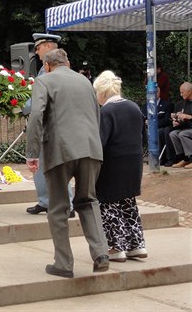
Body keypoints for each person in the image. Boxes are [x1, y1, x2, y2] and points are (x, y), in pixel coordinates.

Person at [25, 48, 109, 278]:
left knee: (59, 207)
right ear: (68, 63)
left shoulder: (44, 80)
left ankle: (64, 264)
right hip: (91, 148)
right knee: (88, 200)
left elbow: (35, 115)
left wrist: (32, 153)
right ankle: (101, 254)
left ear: (49, 65)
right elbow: (96, 114)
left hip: (60, 150)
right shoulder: (85, 81)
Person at [93, 71, 148, 262]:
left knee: (108, 204)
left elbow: (100, 142)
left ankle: (116, 247)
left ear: (101, 92)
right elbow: (143, 134)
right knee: (128, 202)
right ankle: (136, 244)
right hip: (133, 161)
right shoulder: (133, 107)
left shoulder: (106, 112)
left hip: (113, 163)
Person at [26, 33, 74, 217]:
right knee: (40, 165)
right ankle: (45, 201)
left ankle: (68, 204)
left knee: (59, 167)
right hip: (43, 126)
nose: (37, 52)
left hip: (56, 125)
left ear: (47, 46)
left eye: (38, 48)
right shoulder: (43, 70)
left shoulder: (58, 69)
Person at [141, 85, 173, 166]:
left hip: (161, 128)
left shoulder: (167, 105)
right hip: (148, 129)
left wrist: (153, 123)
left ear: (158, 93)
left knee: (161, 132)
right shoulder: (145, 106)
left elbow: (167, 120)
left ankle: (161, 157)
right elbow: (143, 119)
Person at [169, 82, 192, 168]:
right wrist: (176, 120)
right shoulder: (182, 103)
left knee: (183, 134)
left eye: (182, 92)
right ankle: (185, 159)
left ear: (189, 91)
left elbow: (188, 117)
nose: (181, 94)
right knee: (173, 134)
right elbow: (182, 121)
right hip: (186, 128)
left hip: (189, 130)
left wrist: (188, 116)